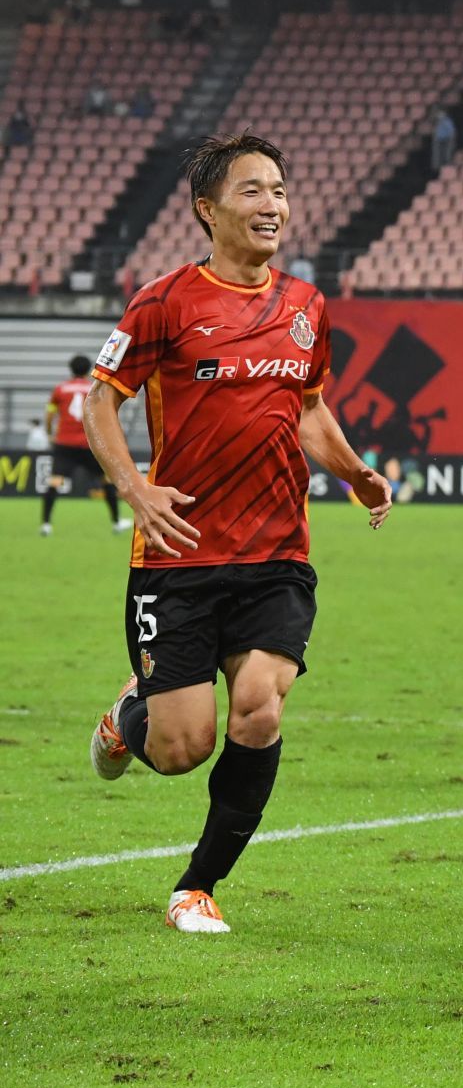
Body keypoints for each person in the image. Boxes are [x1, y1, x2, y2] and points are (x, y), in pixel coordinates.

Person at [82, 133, 394, 934]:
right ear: (207, 209)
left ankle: (197, 886)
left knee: (259, 707)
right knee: (182, 747)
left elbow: (311, 409)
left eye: (281, 191)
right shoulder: (165, 302)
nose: (272, 205)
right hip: (178, 555)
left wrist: (354, 470)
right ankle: (131, 715)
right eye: (253, 191)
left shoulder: (305, 306)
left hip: (276, 553)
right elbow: (99, 401)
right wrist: (134, 485)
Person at [42, 354, 130, 536]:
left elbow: (50, 415)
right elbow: (103, 417)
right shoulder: (94, 389)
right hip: (89, 443)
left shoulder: (60, 389)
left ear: (71, 369)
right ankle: (116, 522)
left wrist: (50, 433)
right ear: (89, 369)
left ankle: (46, 524)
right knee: (106, 481)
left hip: (64, 443)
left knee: (55, 481)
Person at [429, 106, 457, 170]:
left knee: (447, 154)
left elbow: (452, 131)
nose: (439, 115)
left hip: (446, 140)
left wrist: (451, 140)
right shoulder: (436, 122)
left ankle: (447, 166)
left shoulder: (447, 121)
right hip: (438, 140)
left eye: (440, 113)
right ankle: (437, 166)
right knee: (437, 154)